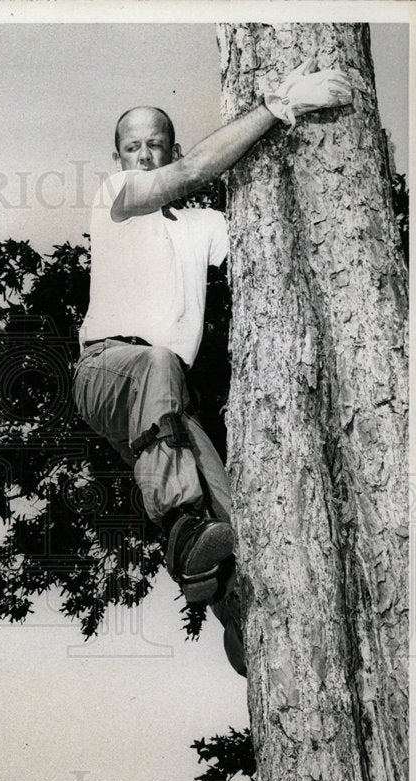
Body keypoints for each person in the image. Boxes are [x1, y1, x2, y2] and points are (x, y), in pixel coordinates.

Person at [73, 59, 352, 673]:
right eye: (133, 147)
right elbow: (197, 170)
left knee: (224, 500)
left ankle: (243, 625)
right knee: (156, 365)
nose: (145, 156)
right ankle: (180, 530)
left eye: (156, 145)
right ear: (119, 158)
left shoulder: (204, 226)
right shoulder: (117, 197)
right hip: (108, 370)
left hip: (162, 403)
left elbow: (270, 239)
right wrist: (282, 106)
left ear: (169, 145)